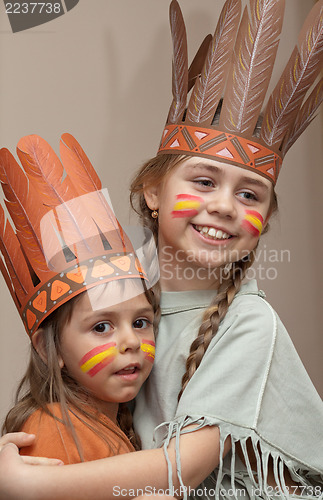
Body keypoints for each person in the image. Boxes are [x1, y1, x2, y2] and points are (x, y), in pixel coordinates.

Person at [0, 0, 322, 499]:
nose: (224, 207)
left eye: (249, 195)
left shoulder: (249, 325)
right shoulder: (128, 287)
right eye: (204, 180)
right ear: (153, 192)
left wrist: (31, 485)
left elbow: (185, 468)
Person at [0, 133, 158, 464]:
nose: (131, 340)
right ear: (47, 348)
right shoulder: (55, 431)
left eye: (141, 322)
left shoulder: (107, 424)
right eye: (102, 327)